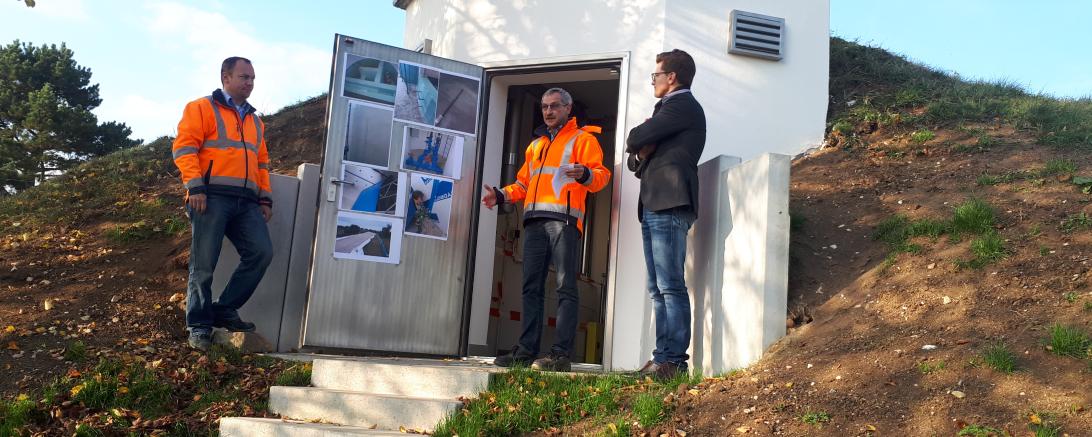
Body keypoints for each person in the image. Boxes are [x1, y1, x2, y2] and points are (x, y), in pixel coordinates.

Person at [482, 88, 611, 372]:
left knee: (566, 286)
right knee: (531, 288)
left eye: (554, 106)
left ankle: (560, 354)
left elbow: (601, 176)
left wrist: (586, 174)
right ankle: (526, 351)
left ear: (568, 108)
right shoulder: (536, 146)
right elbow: (523, 184)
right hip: (534, 222)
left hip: (564, 221)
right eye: (544, 107)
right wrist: (501, 195)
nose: (548, 112)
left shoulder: (583, 139)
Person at [172, 56, 274, 351]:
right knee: (203, 265)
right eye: (244, 77)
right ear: (225, 77)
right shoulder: (201, 108)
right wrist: (195, 186)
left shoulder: (256, 121)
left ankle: (224, 308)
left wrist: (264, 197)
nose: (250, 83)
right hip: (210, 197)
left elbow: (262, 162)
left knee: (261, 253)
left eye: (252, 78)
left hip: (246, 202)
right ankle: (199, 325)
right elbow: (184, 148)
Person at [625, 49, 706, 379]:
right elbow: (635, 159)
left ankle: (674, 362)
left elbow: (635, 139)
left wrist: (644, 140)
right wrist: (643, 146)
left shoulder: (681, 105)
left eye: (656, 75)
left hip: (670, 203)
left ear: (671, 77)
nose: (653, 81)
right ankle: (662, 358)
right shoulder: (668, 110)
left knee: (670, 285)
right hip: (655, 203)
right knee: (657, 288)